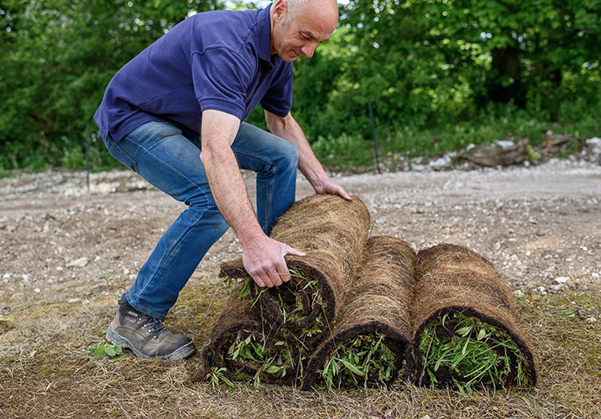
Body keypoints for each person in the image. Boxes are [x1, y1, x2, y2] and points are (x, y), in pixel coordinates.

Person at [94, 0, 351, 361]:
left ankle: (276, 276)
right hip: (137, 118)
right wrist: (251, 241)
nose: (309, 52)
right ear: (279, 11)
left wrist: (321, 180)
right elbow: (216, 150)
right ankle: (136, 316)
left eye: (318, 43)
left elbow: (282, 122)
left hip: (189, 119)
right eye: (305, 37)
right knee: (209, 200)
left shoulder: (280, 54)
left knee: (281, 156)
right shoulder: (226, 44)